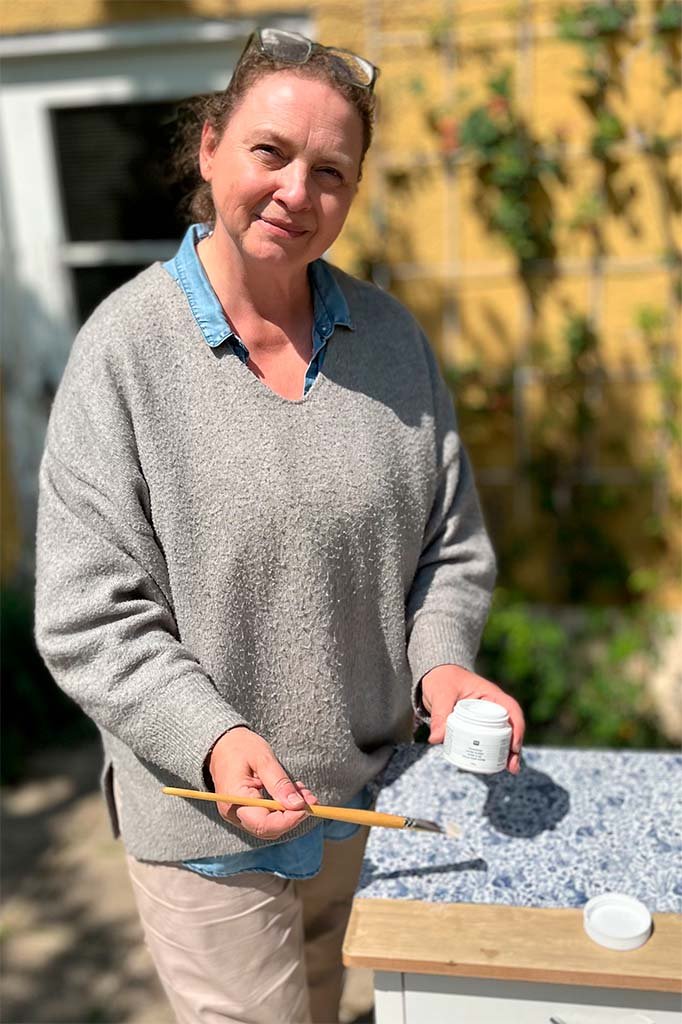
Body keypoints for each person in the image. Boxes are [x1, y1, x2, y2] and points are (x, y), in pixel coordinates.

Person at [35, 27, 525, 1024]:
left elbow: (448, 545)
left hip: (362, 805)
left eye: (331, 171)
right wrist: (212, 740)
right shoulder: (123, 354)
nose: (297, 191)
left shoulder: (391, 342)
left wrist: (441, 663)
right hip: (206, 829)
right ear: (210, 145)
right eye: (271, 152)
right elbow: (88, 612)